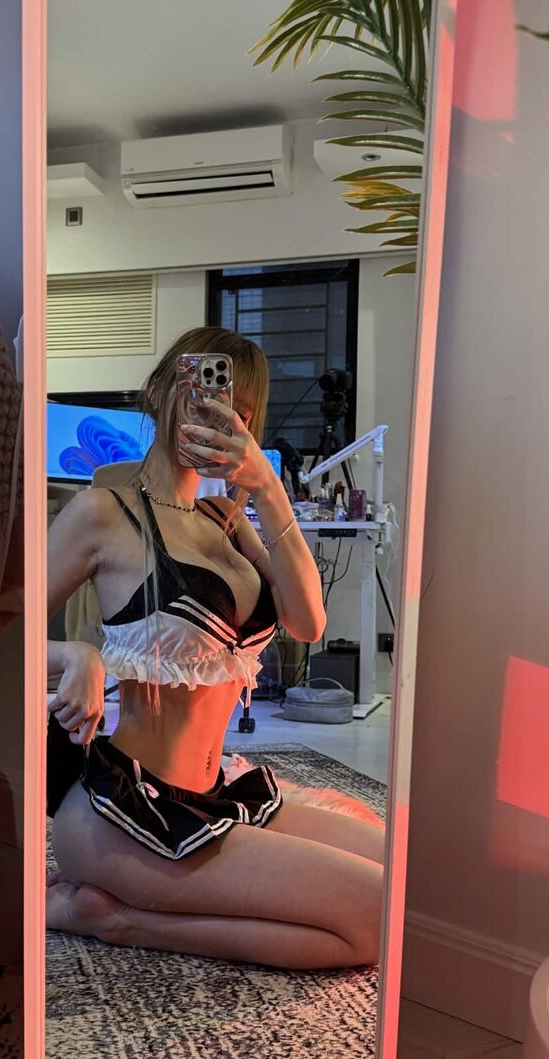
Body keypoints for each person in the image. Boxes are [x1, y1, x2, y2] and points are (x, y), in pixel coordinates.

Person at [46, 327, 384, 970]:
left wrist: (268, 490)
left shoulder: (224, 523)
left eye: (240, 410)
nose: (219, 415)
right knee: (376, 915)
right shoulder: (103, 512)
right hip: (127, 812)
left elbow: (308, 622)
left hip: (216, 792)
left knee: (398, 871)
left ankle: (118, 910)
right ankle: (120, 920)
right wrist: (74, 656)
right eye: (198, 390)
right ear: (159, 390)